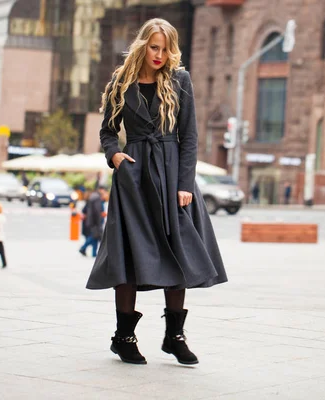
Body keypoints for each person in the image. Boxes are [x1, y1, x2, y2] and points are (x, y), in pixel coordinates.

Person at [86, 18, 227, 366]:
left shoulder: (180, 80)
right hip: (133, 180)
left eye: (165, 48)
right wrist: (114, 155)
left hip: (171, 176)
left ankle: (174, 336)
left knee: (178, 251)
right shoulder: (122, 81)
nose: (160, 54)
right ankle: (124, 337)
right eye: (154, 47)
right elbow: (107, 131)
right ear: (143, 45)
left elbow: (189, 137)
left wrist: (184, 185)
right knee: (128, 255)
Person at [79, 186, 108, 257]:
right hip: (95, 222)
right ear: (101, 190)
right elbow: (97, 212)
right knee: (94, 237)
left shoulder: (94, 197)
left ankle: (94, 253)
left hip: (92, 221)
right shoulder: (97, 198)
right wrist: (99, 223)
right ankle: (83, 248)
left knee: (95, 237)